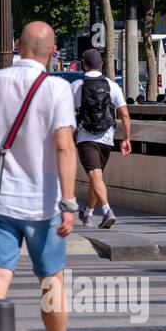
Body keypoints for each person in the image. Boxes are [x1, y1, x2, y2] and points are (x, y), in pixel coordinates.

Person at [0, 21, 88, 331]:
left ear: (17, 44)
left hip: (0, 201)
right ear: (53, 52)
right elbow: (65, 146)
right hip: (44, 203)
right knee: (50, 280)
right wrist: (69, 202)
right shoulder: (56, 88)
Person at [70, 48, 132, 229]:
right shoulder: (112, 85)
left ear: (84, 65)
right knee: (97, 177)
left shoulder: (77, 86)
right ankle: (87, 213)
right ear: (102, 65)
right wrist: (126, 139)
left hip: (85, 137)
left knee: (95, 176)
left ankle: (107, 211)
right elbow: (125, 115)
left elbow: (67, 116)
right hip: (107, 138)